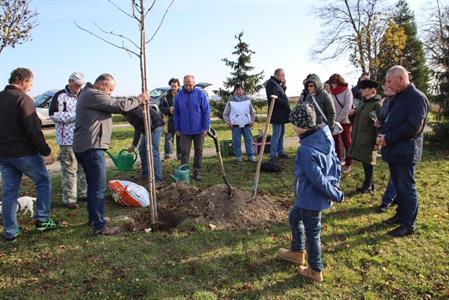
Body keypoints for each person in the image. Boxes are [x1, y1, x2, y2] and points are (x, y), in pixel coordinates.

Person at [73, 73, 147, 235]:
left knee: (93, 185)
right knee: (98, 186)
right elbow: (118, 106)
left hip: (86, 146)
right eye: (110, 90)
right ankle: (100, 226)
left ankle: (94, 218)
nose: (111, 93)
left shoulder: (88, 94)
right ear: (101, 85)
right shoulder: (93, 94)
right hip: (91, 147)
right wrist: (139, 99)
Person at [278, 102, 344, 283]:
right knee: (294, 218)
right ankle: (297, 252)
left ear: (303, 125)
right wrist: (335, 182)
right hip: (307, 196)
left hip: (311, 198)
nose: (292, 127)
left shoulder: (306, 150)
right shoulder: (324, 135)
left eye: (294, 124)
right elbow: (336, 161)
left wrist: (335, 193)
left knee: (312, 233)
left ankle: (315, 270)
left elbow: (318, 179)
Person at [0, 68, 58, 241]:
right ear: (21, 80)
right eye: (30, 84)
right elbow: (33, 130)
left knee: (9, 192)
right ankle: (42, 219)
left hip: (4, 154)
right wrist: (46, 152)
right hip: (24, 153)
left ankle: (10, 230)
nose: (30, 88)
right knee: (43, 181)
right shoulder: (22, 99)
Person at [377, 65, 428, 237]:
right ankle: (400, 215)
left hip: (406, 151)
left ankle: (409, 224)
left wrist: (388, 138)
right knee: (398, 186)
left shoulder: (417, 98)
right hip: (393, 149)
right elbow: (391, 119)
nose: (388, 85)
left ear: (401, 78)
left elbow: (412, 127)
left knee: (407, 187)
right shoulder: (397, 97)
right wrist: (382, 133)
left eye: (390, 81)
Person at [48, 72, 87, 209]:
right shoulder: (59, 95)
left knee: (83, 168)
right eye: (76, 84)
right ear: (70, 81)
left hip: (83, 139)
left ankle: (83, 193)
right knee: (69, 169)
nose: (78, 87)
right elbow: (53, 115)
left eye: (80, 85)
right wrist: (75, 116)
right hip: (67, 139)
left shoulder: (84, 95)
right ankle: (70, 199)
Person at [348, 79, 382, 194]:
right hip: (360, 137)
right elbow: (356, 119)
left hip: (370, 139)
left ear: (371, 90)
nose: (361, 90)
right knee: (365, 162)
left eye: (364, 88)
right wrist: (352, 114)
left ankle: (368, 186)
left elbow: (377, 125)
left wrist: (377, 143)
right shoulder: (362, 102)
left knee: (369, 162)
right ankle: (369, 184)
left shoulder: (376, 105)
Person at [174, 75, 210, 180]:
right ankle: (184, 171)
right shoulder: (179, 96)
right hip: (184, 130)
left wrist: (205, 128)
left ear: (194, 83)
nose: (188, 87)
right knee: (184, 151)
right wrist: (177, 128)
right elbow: (176, 114)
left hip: (199, 129)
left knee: (199, 150)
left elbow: (206, 112)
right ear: (183, 84)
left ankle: (197, 171)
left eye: (190, 85)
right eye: (186, 85)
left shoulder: (200, 94)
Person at [126, 104, 164, 185]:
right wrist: (134, 144)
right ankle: (146, 174)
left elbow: (146, 119)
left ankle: (158, 179)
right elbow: (137, 128)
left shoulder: (134, 111)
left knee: (153, 152)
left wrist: (148, 131)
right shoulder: (129, 113)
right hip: (147, 129)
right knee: (142, 150)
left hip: (155, 127)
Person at [375, 84, 397, 213]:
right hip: (387, 139)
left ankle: (387, 200)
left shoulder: (402, 101)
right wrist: (378, 122)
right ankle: (396, 197)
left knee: (396, 173)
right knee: (395, 172)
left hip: (397, 139)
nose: (385, 88)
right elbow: (383, 118)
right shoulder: (387, 101)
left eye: (389, 84)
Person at [223, 84, 257, 163]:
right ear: (234, 91)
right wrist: (228, 122)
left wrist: (252, 121)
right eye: (237, 90)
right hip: (235, 126)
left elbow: (253, 112)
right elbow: (225, 114)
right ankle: (239, 157)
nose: (238, 91)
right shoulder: (230, 101)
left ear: (243, 91)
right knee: (236, 141)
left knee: (249, 140)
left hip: (246, 125)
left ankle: (251, 156)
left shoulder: (247, 100)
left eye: (240, 89)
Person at [329, 73, 353, 173]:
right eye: (331, 83)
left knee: (346, 142)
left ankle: (348, 163)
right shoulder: (330, 92)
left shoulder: (347, 91)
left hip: (345, 121)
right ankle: (337, 161)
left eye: (334, 83)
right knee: (335, 143)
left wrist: (337, 120)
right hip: (334, 121)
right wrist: (333, 120)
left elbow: (347, 108)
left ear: (339, 82)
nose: (333, 85)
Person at [265, 68, 291, 162]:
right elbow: (274, 96)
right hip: (277, 113)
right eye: (282, 75)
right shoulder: (271, 83)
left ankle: (280, 151)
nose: (284, 77)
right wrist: (285, 104)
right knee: (276, 134)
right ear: (277, 75)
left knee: (281, 133)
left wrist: (283, 85)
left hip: (282, 113)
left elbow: (281, 93)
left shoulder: (277, 83)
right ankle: (273, 155)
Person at [160, 78, 181, 160]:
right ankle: (167, 154)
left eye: (175, 86)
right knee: (168, 138)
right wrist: (169, 110)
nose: (174, 88)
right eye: (172, 86)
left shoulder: (183, 94)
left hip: (180, 120)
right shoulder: (166, 96)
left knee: (180, 138)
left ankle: (180, 155)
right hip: (169, 121)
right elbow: (161, 108)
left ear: (178, 86)